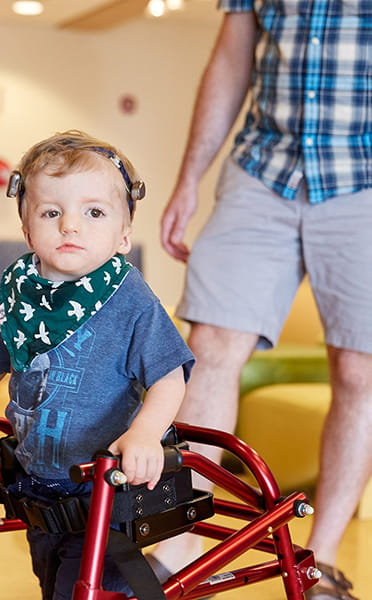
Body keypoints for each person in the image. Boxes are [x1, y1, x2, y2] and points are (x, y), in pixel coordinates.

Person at [155, 2, 372, 599]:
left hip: (365, 176)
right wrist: (190, 177)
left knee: (360, 371)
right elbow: (233, 51)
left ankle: (319, 562)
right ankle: (179, 547)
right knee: (209, 345)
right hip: (263, 167)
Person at [0, 130, 195, 600]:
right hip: (39, 480)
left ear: (124, 235)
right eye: (52, 212)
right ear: (27, 229)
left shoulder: (129, 298)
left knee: (82, 589)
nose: (71, 226)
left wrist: (146, 432)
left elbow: (169, 375)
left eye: (94, 212)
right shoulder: (23, 290)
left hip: (103, 488)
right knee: (51, 580)